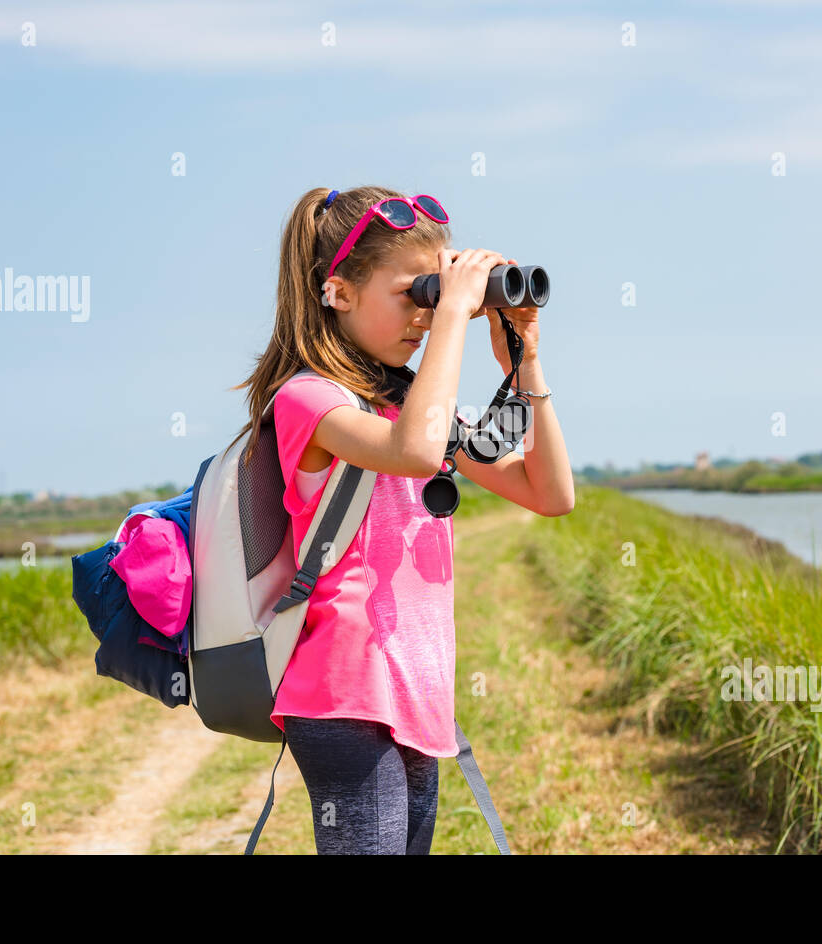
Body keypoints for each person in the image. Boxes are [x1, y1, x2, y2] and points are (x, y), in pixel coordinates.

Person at [227, 185, 575, 854]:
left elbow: (549, 492)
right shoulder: (309, 400)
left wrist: (524, 362)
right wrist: (453, 316)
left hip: (416, 691)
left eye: (435, 293)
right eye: (416, 292)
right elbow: (413, 454)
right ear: (340, 293)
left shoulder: (410, 404)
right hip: (345, 694)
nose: (428, 312)